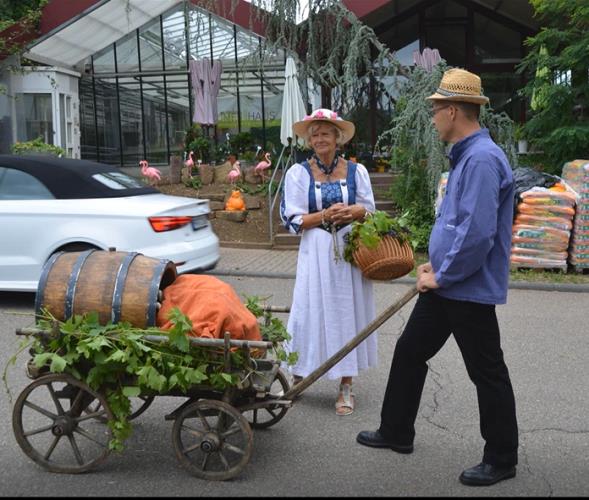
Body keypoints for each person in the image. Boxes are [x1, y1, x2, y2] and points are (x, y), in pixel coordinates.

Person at [356, 68, 519, 486]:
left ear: (451, 111)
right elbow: (458, 224)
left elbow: (478, 233)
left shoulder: (481, 160)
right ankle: (396, 431)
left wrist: (442, 276)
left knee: (487, 371)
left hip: (464, 289)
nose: (431, 119)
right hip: (447, 282)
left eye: (434, 111)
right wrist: (433, 265)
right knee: (410, 351)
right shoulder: (467, 157)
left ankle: (501, 458)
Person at [280, 108, 377, 416]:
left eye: (325, 133)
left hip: (349, 252)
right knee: (307, 312)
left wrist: (351, 213)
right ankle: (296, 378)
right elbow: (291, 220)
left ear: (338, 138)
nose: (320, 138)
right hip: (316, 251)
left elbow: (369, 209)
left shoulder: (355, 171)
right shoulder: (298, 173)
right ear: (309, 141)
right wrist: (322, 216)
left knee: (345, 314)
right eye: (315, 134)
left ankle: (346, 385)